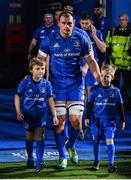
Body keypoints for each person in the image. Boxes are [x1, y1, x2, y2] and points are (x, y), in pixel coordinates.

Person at [37, 11, 100, 169]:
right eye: (64, 23)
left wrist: (98, 78)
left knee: (76, 121)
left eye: (70, 23)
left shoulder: (82, 38)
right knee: (59, 123)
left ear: (74, 24)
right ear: (59, 23)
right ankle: (63, 156)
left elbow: (91, 61)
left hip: (75, 84)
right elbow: (40, 60)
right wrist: (37, 79)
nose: (67, 26)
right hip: (56, 85)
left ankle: (71, 145)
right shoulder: (49, 39)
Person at [14, 57, 58, 173]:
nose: (41, 71)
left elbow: (50, 99)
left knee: (39, 136)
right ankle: (30, 157)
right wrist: (18, 111)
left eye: (42, 69)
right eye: (38, 69)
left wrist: (54, 115)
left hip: (41, 114)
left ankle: (39, 162)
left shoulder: (47, 84)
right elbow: (17, 96)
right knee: (29, 137)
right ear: (31, 70)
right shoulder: (25, 82)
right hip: (28, 114)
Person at [85, 64, 125, 173]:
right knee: (96, 142)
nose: (104, 78)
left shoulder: (115, 91)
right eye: (102, 76)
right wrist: (87, 117)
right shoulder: (94, 90)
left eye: (107, 76)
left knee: (110, 141)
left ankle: (111, 164)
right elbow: (89, 104)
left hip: (109, 122)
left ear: (112, 77)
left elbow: (120, 106)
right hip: (96, 121)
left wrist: (122, 120)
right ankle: (96, 161)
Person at [78, 12, 106, 140]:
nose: (84, 26)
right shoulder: (76, 32)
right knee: (80, 99)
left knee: (91, 98)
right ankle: (81, 128)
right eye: (82, 23)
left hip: (91, 70)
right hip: (78, 69)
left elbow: (103, 50)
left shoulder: (97, 32)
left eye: (86, 23)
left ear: (91, 23)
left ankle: (91, 127)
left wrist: (94, 36)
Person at [106, 13, 131, 110]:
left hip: (127, 64)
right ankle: (115, 105)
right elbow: (107, 43)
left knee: (127, 87)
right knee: (113, 86)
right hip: (114, 64)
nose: (122, 21)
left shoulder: (130, 31)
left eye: (123, 20)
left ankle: (126, 106)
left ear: (127, 20)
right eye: (120, 19)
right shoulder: (113, 31)